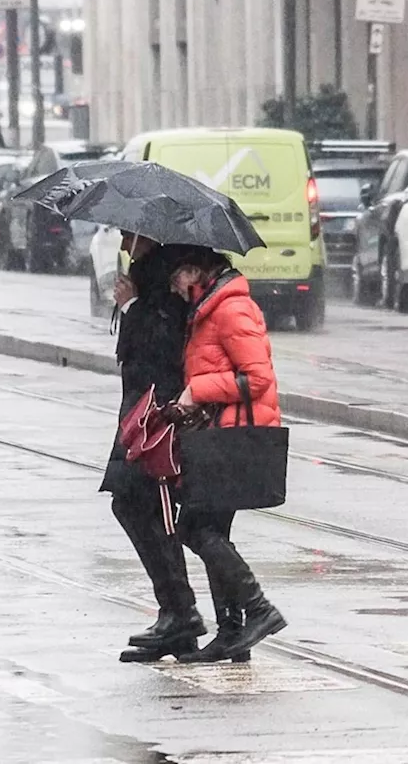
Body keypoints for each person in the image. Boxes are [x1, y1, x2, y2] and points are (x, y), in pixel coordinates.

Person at [168, 248, 287, 662]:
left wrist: (196, 391)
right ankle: (233, 632)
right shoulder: (208, 307)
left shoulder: (230, 308)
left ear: (196, 270)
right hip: (220, 432)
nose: (174, 289)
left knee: (196, 528)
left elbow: (257, 377)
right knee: (208, 529)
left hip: (234, 436)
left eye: (177, 278)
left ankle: (257, 610)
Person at [100, 233, 207, 663]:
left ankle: (180, 613)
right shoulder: (150, 274)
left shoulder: (164, 278)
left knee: (148, 508)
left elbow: (163, 347)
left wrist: (131, 305)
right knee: (134, 506)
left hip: (157, 414)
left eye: (131, 234)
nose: (125, 241)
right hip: (139, 411)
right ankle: (175, 616)